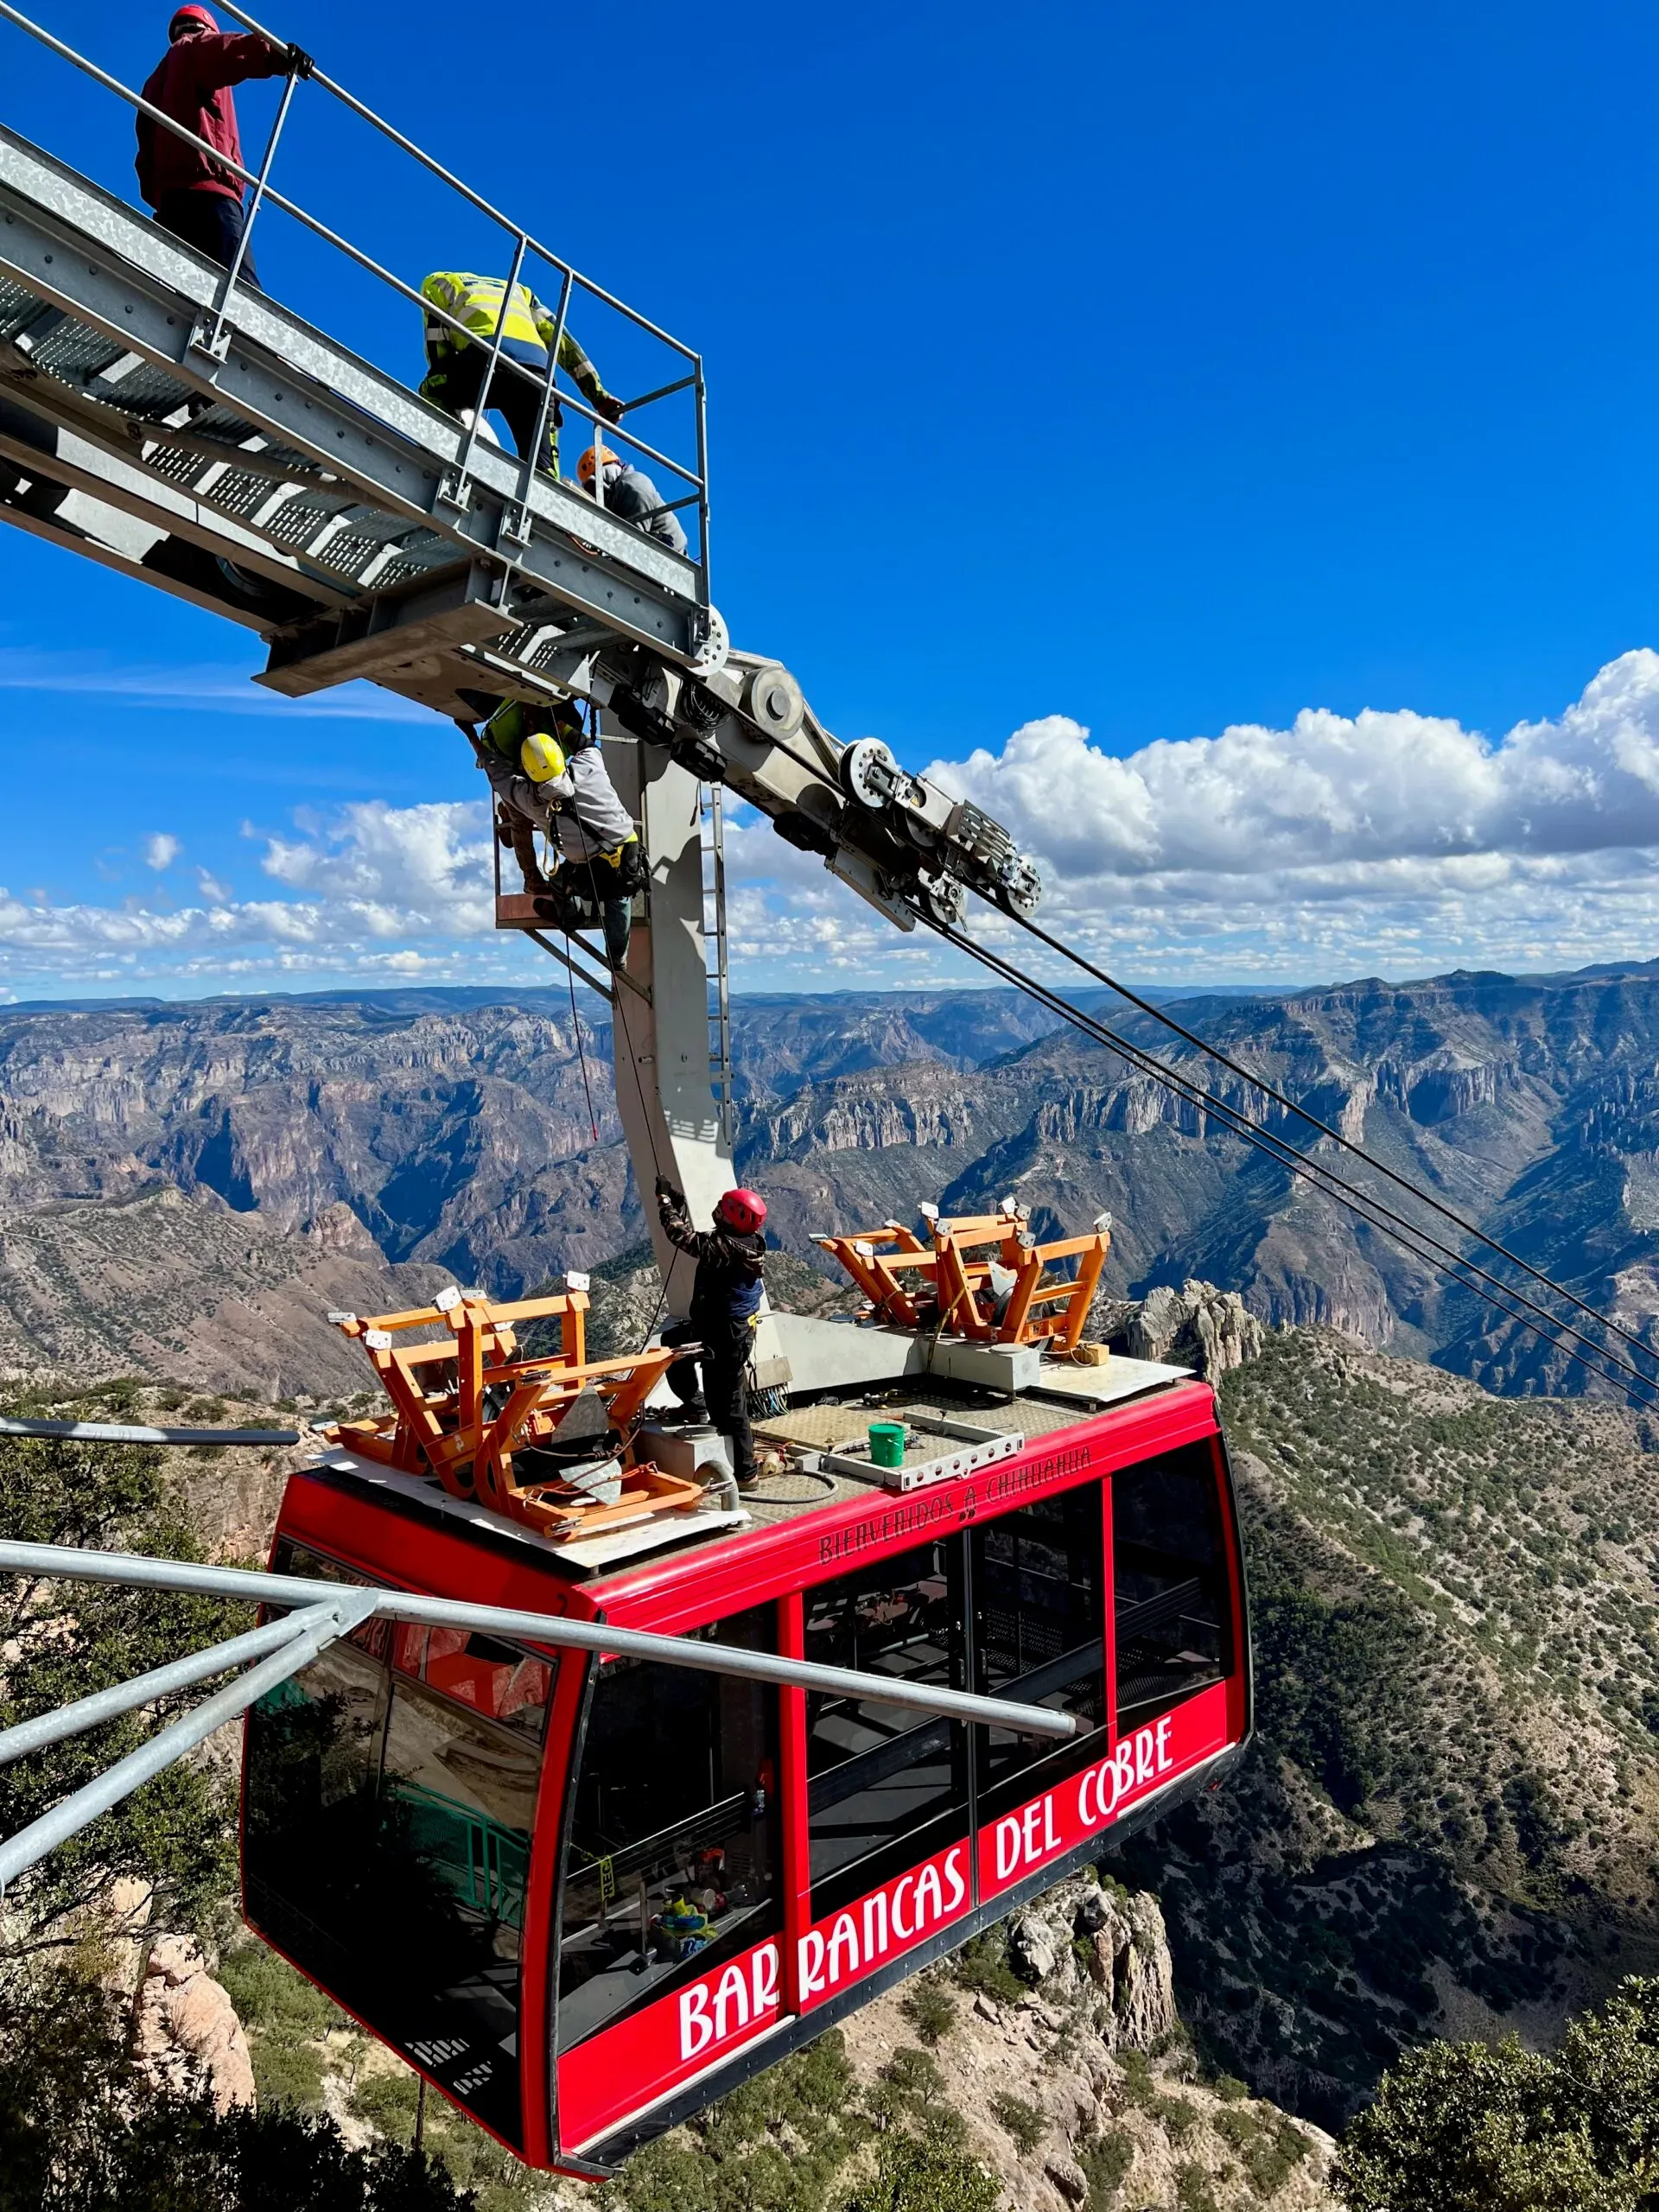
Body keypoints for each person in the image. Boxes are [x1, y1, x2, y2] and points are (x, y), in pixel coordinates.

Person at [465, 693, 643, 964]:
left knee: (560, 880)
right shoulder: (590, 766)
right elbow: (585, 744)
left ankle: (571, 917)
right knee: (620, 894)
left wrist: (471, 736)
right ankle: (618, 958)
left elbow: (497, 771)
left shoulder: (532, 801)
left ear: (528, 769)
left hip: (587, 868)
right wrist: (560, 725)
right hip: (627, 856)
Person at [136, 7, 312, 280]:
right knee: (241, 290)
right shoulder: (195, 46)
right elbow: (229, 51)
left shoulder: (153, 84)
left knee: (178, 286)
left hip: (171, 203)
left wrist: (159, 197)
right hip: (212, 195)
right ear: (206, 29)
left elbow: (145, 153)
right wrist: (278, 55)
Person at [419, 273, 623, 478]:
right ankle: (546, 483)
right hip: (537, 375)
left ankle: (444, 452)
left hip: (484, 359)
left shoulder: (436, 283)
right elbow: (563, 342)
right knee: (542, 466)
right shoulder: (521, 292)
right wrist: (598, 396)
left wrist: (450, 384)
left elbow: (438, 348)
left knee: (432, 390)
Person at [655, 1178, 768, 1492]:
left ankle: (746, 1473)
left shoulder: (728, 1248)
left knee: (729, 1405)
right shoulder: (741, 1242)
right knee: (674, 1345)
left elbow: (682, 1238)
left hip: (727, 1335)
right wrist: (676, 1205)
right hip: (716, 1327)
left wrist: (665, 1202)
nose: (716, 1210)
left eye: (722, 1208)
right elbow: (699, 1240)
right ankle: (695, 1405)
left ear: (732, 1218)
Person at [578, 445, 688, 556]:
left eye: (594, 488)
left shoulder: (634, 484)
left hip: (670, 556)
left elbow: (634, 540)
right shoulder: (615, 497)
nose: (597, 494)